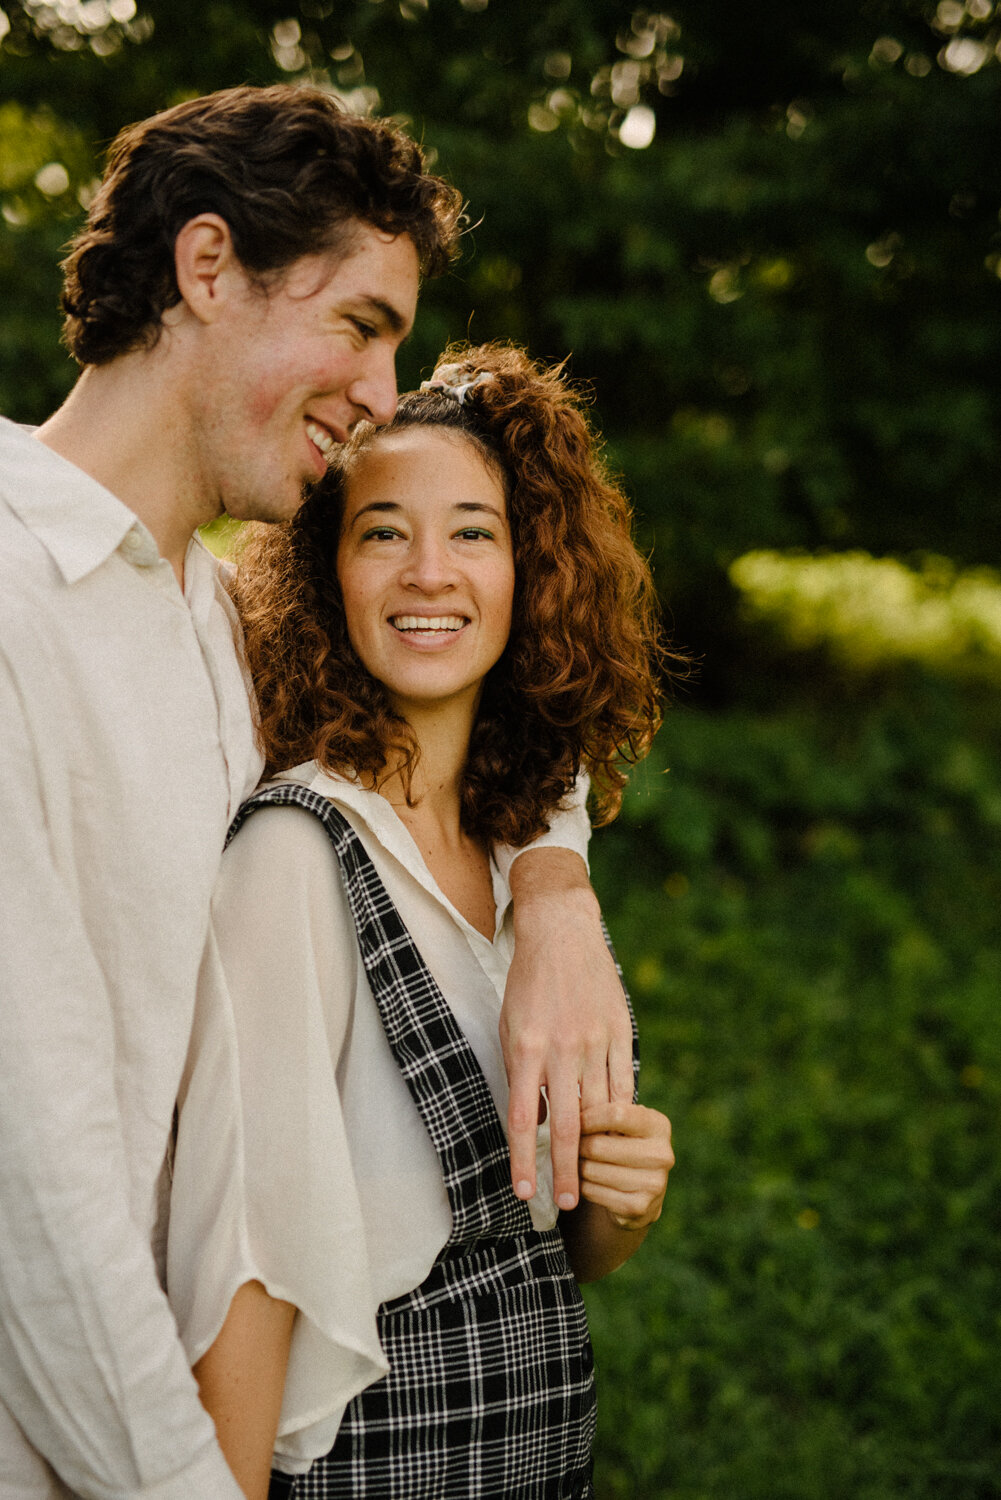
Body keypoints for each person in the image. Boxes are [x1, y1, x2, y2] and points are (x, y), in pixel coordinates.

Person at [0, 88, 633, 1499]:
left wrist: (554, 887)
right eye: (360, 322)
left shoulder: (201, 612)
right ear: (208, 267)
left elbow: (478, 697)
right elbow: (27, 1193)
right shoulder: (11, 606)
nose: (382, 389)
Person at [168, 343, 678, 1499]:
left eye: (474, 533)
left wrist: (619, 1201)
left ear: (531, 572)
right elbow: (248, 1268)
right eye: (383, 531)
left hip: (539, 1457)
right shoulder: (296, 858)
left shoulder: (523, 858)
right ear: (326, 571)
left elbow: (556, 1253)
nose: (427, 573)